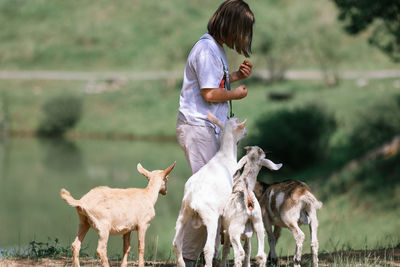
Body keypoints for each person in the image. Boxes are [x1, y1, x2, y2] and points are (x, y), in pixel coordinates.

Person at [175, 0, 255, 265]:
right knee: (205, 198)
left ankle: (194, 257)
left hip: (206, 128)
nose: (243, 37)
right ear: (231, 26)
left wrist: (236, 77)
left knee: (206, 196)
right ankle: (188, 259)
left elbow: (214, 82)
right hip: (200, 128)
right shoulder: (207, 49)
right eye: (242, 30)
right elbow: (210, 93)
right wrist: (236, 94)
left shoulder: (214, 48)